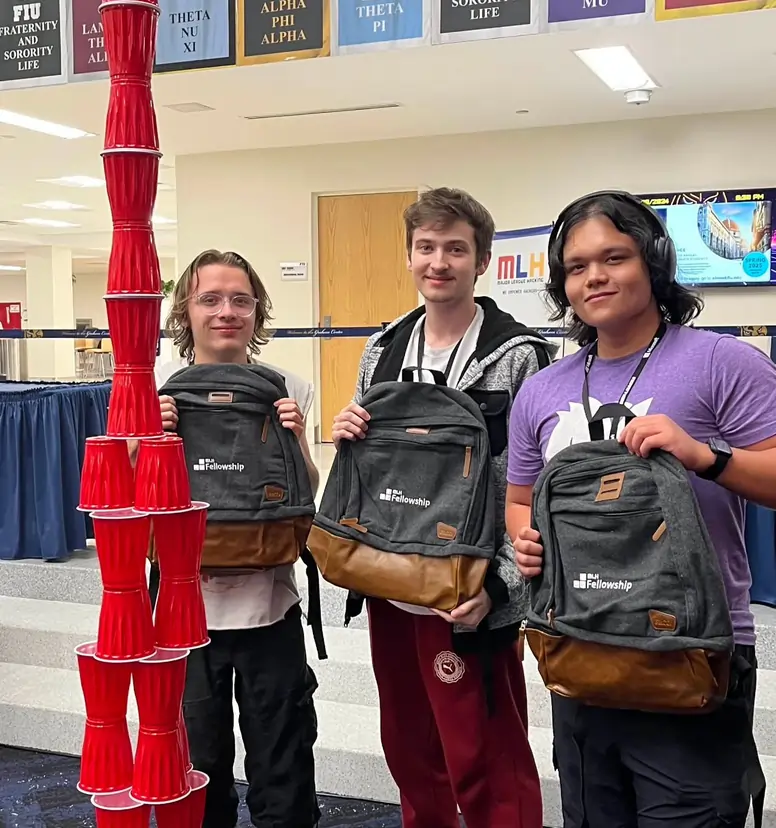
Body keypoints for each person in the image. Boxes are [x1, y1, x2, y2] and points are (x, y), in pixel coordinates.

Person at [506, 190, 776, 828]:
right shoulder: (543, 387)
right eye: (576, 267)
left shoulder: (723, 362)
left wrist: (705, 456)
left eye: (614, 257)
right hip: (579, 647)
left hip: (690, 652)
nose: (595, 276)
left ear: (653, 262)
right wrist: (525, 539)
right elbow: (520, 499)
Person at [332, 187, 555, 828]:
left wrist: (503, 586)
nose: (439, 261)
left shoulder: (521, 357)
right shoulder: (384, 349)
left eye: (455, 248)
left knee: (486, 758)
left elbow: (535, 487)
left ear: (481, 261)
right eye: (425, 247)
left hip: (467, 592)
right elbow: (367, 468)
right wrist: (348, 433)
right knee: (409, 751)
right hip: (391, 580)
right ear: (408, 256)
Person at [154, 249, 321, 828]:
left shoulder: (290, 385)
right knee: (198, 762)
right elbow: (124, 499)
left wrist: (297, 438)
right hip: (182, 610)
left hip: (269, 602)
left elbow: (307, 490)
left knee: (283, 754)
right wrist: (149, 442)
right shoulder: (151, 386)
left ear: (257, 310)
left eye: (240, 300)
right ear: (186, 311)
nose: (227, 312)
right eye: (211, 299)